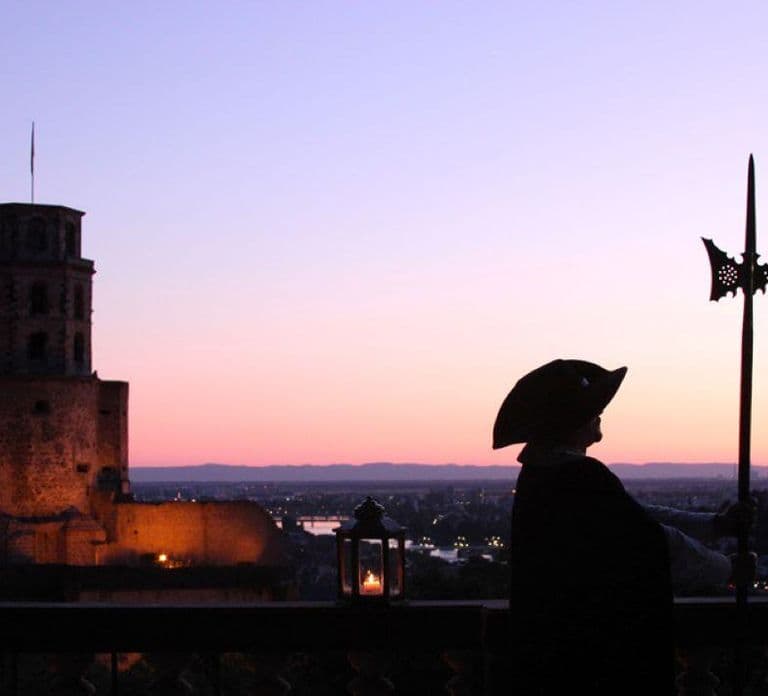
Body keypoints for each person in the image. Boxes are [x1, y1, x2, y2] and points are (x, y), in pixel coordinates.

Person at [493, 359, 750, 695]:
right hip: (593, 657)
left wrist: (717, 526)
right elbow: (652, 541)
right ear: (571, 420)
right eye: (592, 409)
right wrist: (727, 568)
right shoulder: (579, 476)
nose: (599, 415)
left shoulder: (548, 475)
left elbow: (638, 517)